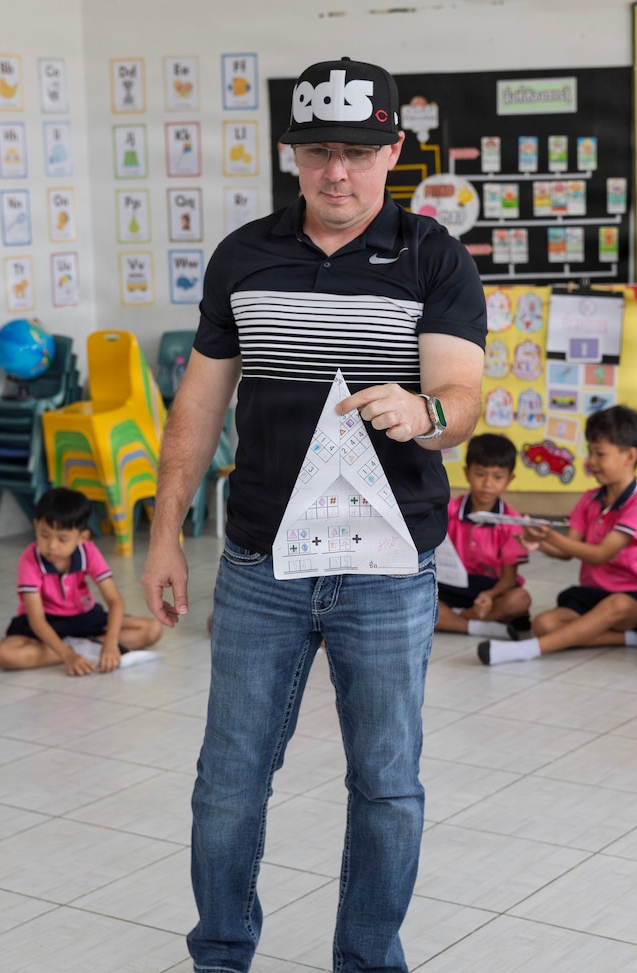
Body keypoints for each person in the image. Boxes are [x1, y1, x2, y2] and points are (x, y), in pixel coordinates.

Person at [139, 57, 485, 973]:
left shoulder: (434, 257)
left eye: (359, 152)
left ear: (393, 151)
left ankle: (367, 961)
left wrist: (424, 411)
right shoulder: (242, 256)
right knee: (227, 783)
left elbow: (463, 398)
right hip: (260, 563)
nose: (339, 172)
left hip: (387, 567)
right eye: (320, 151)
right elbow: (198, 406)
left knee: (387, 786)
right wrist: (166, 533)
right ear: (292, 154)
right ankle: (220, 957)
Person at [479, 406, 637, 666]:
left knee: (617, 605)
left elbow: (599, 555)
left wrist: (551, 536)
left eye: (600, 454)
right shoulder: (590, 499)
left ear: (630, 456)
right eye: (590, 452)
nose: (591, 461)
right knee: (544, 624)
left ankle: (526, 650)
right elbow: (568, 551)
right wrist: (539, 542)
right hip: (591, 594)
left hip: (633, 600)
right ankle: (631, 639)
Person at [0, 487, 161, 675]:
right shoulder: (30, 559)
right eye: (44, 535)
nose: (52, 545)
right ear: (36, 525)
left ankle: (83, 646)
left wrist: (111, 643)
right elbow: (37, 620)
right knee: (4, 655)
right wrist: (67, 656)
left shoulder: (88, 551)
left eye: (62, 539)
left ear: (82, 537)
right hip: (46, 621)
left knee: (152, 630)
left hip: (83, 618)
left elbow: (115, 601)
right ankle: (85, 648)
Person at [437, 433, 532, 639]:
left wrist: (490, 595)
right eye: (480, 474)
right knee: (416, 599)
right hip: (450, 586)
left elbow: (509, 578)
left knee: (520, 600)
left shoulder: (511, 522)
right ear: (467, 473)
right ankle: (479, 626)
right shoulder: (448, 510)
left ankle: (454, 619)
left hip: (492, 590)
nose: (488, 484)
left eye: (497, 477)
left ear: (510, 479)